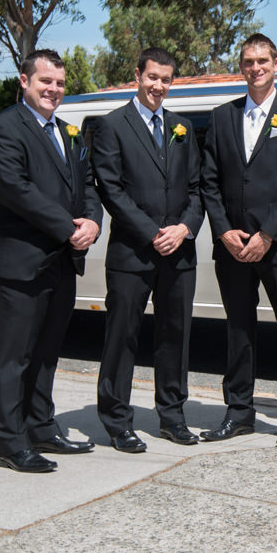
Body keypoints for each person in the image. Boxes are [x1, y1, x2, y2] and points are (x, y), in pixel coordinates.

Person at [0, 49, 103, 473]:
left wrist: (93, 224)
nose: (53, 90)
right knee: (13, 357)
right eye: (45, 81)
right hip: (15, 264)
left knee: (47, 353)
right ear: (25, 82)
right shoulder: (1, 129)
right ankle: (12, 444)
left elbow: (88, 186)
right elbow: (15, 188)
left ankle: (42, 427)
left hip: (61, 263)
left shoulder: (69, 132)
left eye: (60, 84)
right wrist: (70, 226)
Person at [199, 34, 277, 447]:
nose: (255, 68)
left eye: (262, 60)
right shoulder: (221, 117)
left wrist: (267, 235)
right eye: (248, 61)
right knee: (238, 329)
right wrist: (222, 229)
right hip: (232, 246)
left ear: (276, 63)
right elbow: (208, 181)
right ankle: (239, 411)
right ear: (241, 66)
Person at [91, 46, 205, 452]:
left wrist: (185, 228)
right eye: (152, 77)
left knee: (176, 336)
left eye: (166, 79)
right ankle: (117, 421)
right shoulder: (111, 126)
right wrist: (152, 231)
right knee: (122, 337)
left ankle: (172, 416)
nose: (159, 85)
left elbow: (197, 188)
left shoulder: (182, 128)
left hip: (179, 252)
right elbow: (111, 189)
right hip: (132, 252)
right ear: (137, 75)